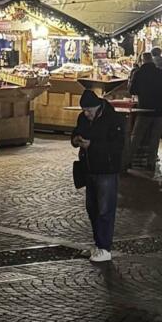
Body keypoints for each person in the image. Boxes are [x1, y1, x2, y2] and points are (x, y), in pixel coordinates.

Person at [71, 88, 124, 263]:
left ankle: (105, 247)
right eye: (84, 110)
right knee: (92, 208)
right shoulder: (83, 118)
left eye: (89, 110)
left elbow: (117, 145)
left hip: (106, 170)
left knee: (105, 209)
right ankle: (99, 244)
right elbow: (76, 132)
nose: (86, 114)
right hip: (89, 169)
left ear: (97, 107)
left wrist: (92, 145)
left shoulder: (113, 119)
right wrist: (76, 140)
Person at [127, 51, 162, 172]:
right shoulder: (160, 73)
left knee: (136, 136)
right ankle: (151, 163)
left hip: (144, 109)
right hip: (159, 109)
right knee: (155, 137)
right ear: (152, 60)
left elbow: (132, 91)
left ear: (142, 61)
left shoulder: (138, 73)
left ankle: (128, 161)